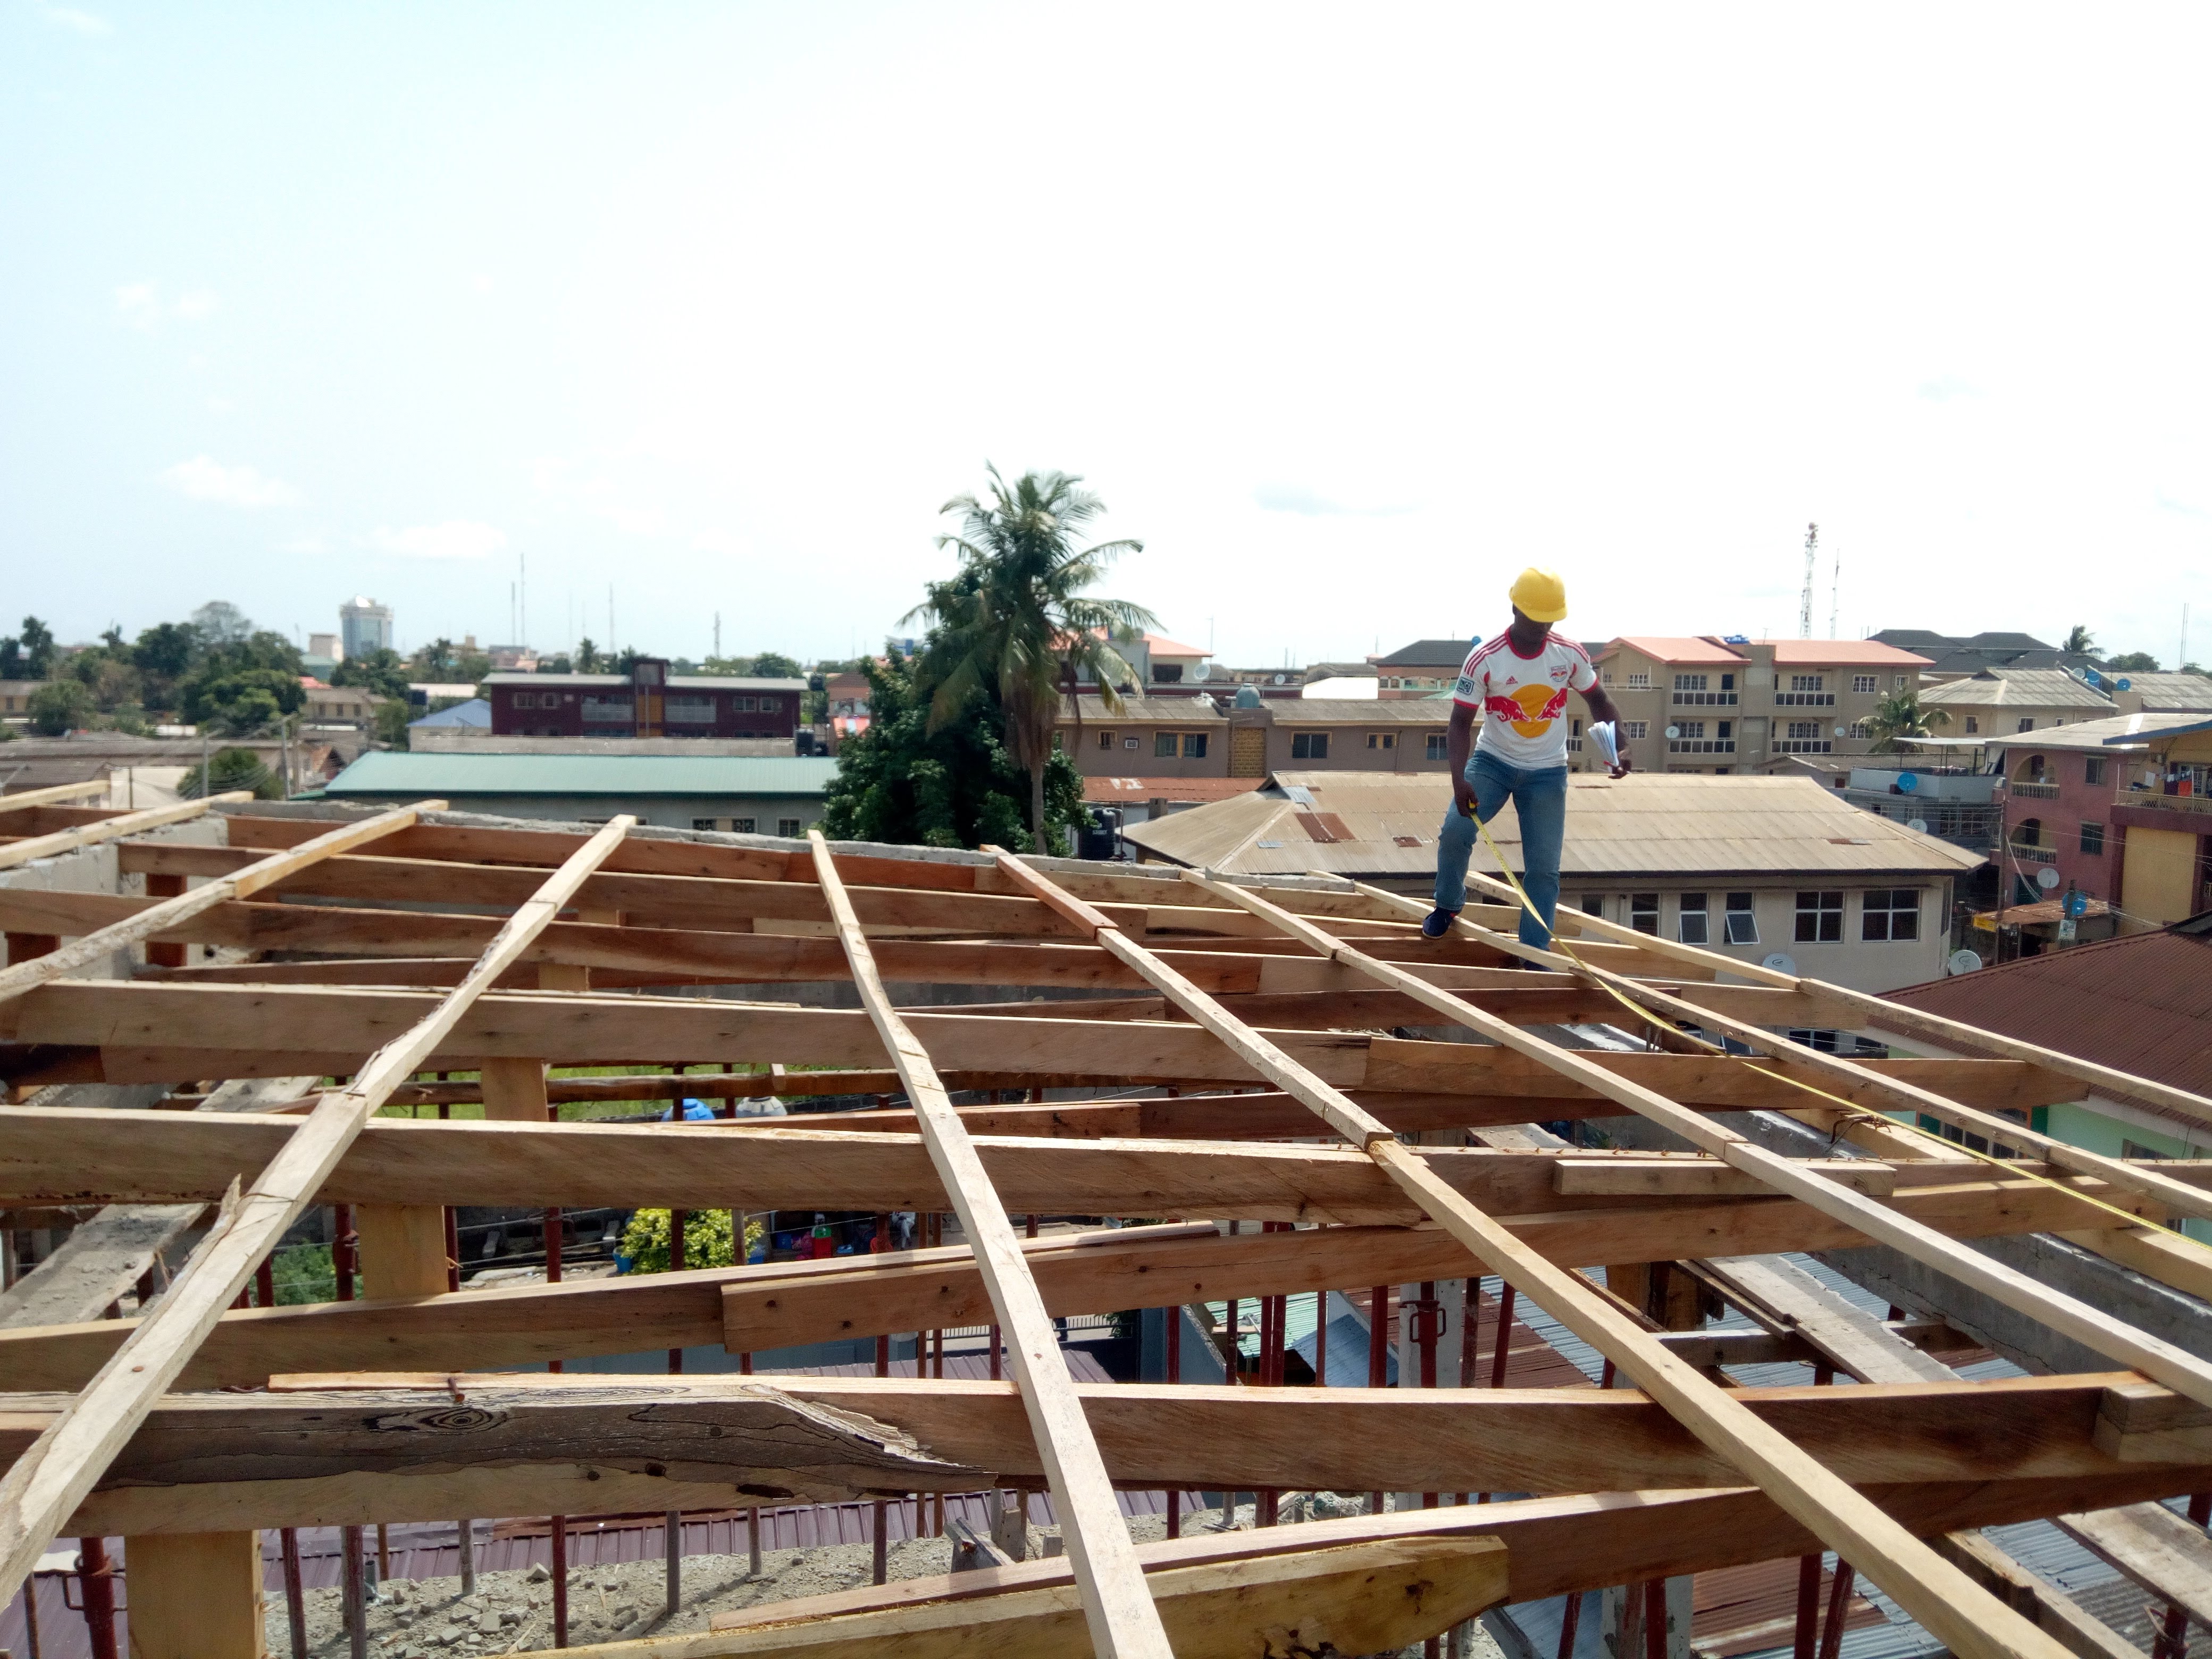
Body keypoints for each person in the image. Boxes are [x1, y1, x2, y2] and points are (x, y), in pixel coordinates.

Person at [1423, 567, 1631, 948]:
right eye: (1536, 618)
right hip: (1493, 763)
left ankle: (1535, 953)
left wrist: (1621, 743)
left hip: (1547, 773)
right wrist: (1459, 779)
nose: (1543, 627)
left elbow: (1599, 700)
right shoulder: (1485, 658)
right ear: (1516, 609)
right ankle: (1447, 905)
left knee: (1544, 870)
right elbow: (1459, 724)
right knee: (1456, 832)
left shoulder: (1568, 654)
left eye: (1550, 619)